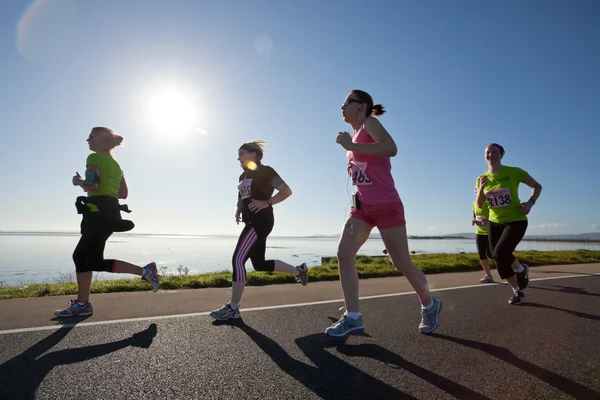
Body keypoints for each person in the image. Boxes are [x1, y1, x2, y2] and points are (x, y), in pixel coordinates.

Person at [329, 89, 442, 338]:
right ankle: (353, 317)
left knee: (400, 262)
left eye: (346, 102)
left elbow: (391, 148)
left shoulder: (370, 122)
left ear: (361, 106)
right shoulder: (355, 134)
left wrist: (351, 145)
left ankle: (430, 305)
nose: (341, 106)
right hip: (361, 208)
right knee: (343, 253)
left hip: (386, 205)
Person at [54, 127, 159, 318]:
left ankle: (146, 271)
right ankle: (83, 303)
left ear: (101, 140)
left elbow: (92, 185)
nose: (87, 140)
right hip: (110, 211)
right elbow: (123, 194)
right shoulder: (116, 165)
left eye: (91, 137)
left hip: (97, 212)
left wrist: (78, 182)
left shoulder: (93, 159)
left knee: (90, 259)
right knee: (81, 257)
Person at [210, 140, 308, 321]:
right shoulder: (242, 176)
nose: (238, 158)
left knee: (238, 259)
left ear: (253, 154)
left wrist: (267, 202)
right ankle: (298, 270)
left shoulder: (266, 171)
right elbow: (241, 196)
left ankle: (233, 308)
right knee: (259, 264)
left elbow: (286, 191)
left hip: (261, 220)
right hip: (250, 221)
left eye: (241, 154)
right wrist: (238, 209)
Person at [475, 143, 542, 305]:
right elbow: (479, 205)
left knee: (500, 253)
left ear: (501, 155)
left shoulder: (514, 172)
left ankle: (520, 269)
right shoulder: (481, 178)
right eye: (487, 152)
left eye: (494, 151)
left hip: (516, 219)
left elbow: (537, 186)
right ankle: (517, 291)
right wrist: (482, 188)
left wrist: (530, 203)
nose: (490, 154)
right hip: (494, 221)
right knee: (496, 257)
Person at [472, 189, 494, 283]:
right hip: (479, 232)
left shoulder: (490, 202)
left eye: (479, 190)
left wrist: (488, 221)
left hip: (491, 232)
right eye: (476, 190)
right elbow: (475, 215)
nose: (477, 192)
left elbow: (496, 216)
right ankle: (488, 275)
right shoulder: (473, 204)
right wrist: (474, 220)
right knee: (481, 254)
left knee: (492, 254)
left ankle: (516, 268)